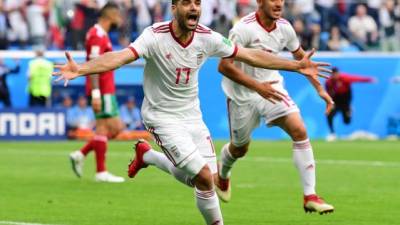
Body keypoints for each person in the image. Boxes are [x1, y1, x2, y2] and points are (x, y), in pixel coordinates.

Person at [53, 0, 331, 223]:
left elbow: (249, 55)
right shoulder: (154, 36)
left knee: (203, 180)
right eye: (186, 3)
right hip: (162, 117)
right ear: (174, 8)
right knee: (203, 177)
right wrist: (82, 68)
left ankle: (148, 156)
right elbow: (119, 57)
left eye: (197, 3)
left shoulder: (207, 37)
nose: (194, 8)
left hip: (193, 118)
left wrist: (295, 65)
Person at [215, 0, 334, 215]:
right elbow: (224, 66)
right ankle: (222, 175)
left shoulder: (285, 28)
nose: (279, 3)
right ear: (260, 2)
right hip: (243, 95)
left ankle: (310, 196)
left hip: (272, 88)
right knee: (239, 148)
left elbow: (302, 62)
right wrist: (256, 86)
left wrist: (320, 89)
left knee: (299, 130)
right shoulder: (242, 29)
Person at [68, 3, 125, 183]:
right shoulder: (96, 35)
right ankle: (101, 172)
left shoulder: (102, 34)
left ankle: (81, 154)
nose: (120, 19)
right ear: (111, 15)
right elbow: (93, 66)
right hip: (101, 90)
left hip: (107, 89)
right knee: (104, 128)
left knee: (115, 128)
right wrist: (96, 94)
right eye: (118, 16)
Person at [325, 67, 375, 141]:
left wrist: (369, 79)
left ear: (338, 73)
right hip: (335, 101)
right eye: (333, 74)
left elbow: (357, 79)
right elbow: (328, 94)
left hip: (346, 102)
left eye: (336, 74)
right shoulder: (328, 82)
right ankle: (332, 133)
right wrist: (329, 105)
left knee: (347, 122)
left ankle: (349, 111)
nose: (335, 76)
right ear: (331, 75)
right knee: (329, 115)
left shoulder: (345, 78)